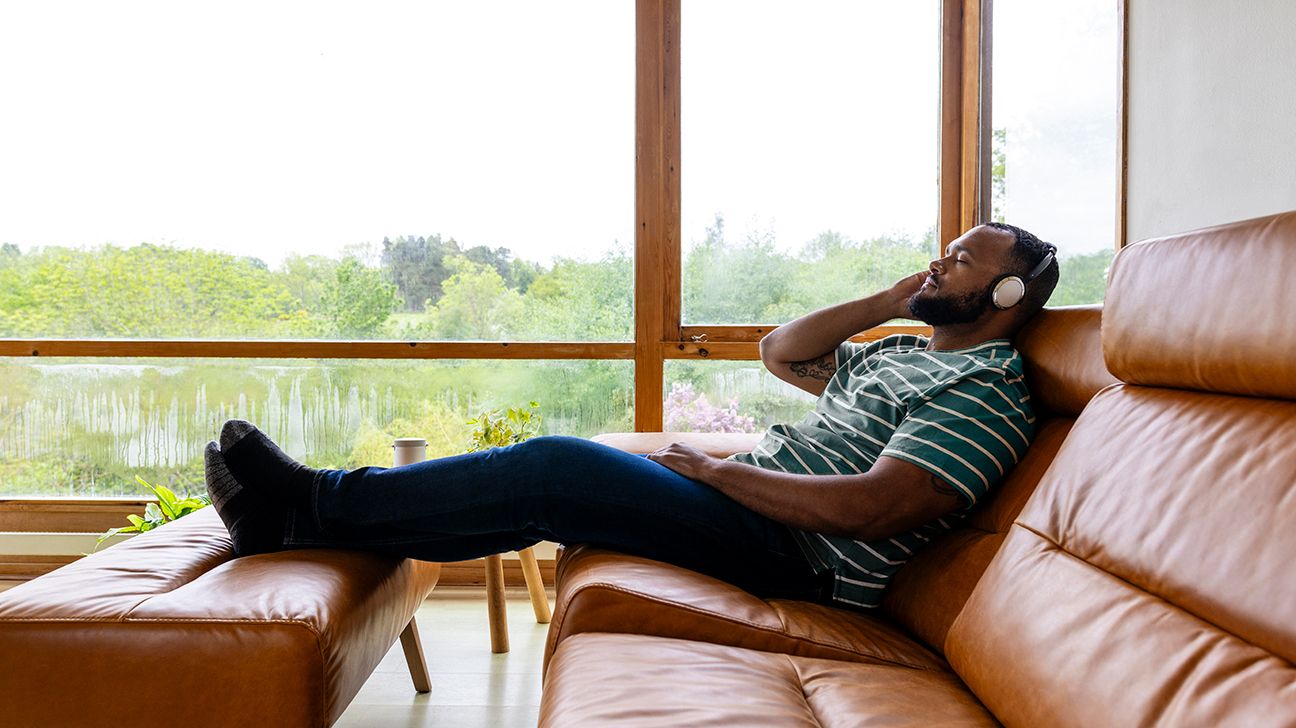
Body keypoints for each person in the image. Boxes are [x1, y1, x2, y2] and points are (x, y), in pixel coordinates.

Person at [204, 222, 1059, 610]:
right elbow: (781, 351)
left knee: (553, 470)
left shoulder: (983, 390)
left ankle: (309, 507)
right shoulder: (901, 354)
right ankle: (310, 519)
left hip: (801, 557)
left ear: (1008, 293)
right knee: (551, 481)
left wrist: (724, 473)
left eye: (961, 263)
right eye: (943, 254)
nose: (940, 266)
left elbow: (877, 506)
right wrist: (886, 298)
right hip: (754, 513)